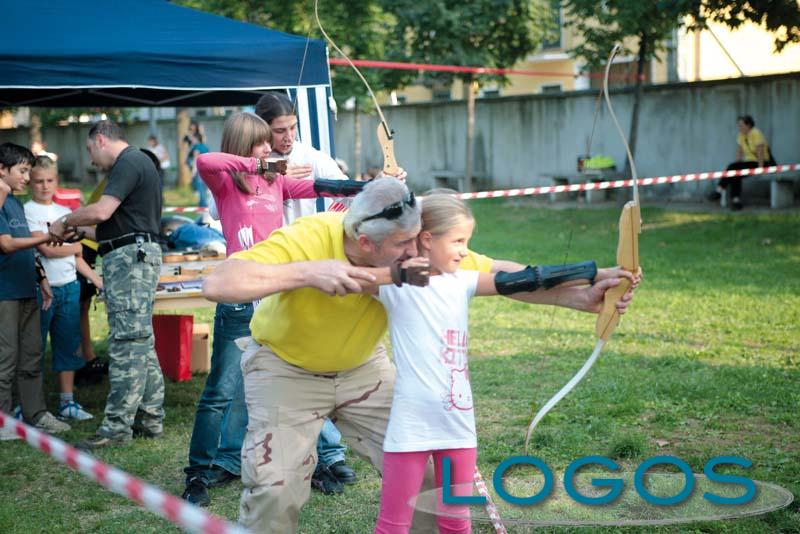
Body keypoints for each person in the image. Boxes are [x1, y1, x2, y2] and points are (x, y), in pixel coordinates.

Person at [201, 179, 637, 532]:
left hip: (362, 368)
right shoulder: (311, 236)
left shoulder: (416, 254)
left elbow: (495, 275)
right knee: (274, 491)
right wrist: (309, 273)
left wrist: (578, 296)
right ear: (366, 242)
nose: (416, 253)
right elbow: (219, 283)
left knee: (432, 476)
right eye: (404, 246)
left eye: (418, 241)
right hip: (285, 369)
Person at [372, 193, 638, 533]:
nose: (465, 250)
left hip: (458, 427)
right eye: (457, 241)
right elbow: (352, 267)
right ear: (426, 239)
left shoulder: (463, 281)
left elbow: (529, 278)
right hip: (410, 427)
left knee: (457, 522)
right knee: (393, 524)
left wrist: (599, 275)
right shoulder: (392, 284)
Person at [181, 112, 367, 507]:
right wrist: (261, 163)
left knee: (298, 380)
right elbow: (205, 162)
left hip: (278, 300)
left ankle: (316, 463)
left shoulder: (275, 182)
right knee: (222, 390)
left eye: (270, 142)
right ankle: (198, 471)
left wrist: (367, 186)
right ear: (244, 146)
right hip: (240, 301)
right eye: (261, 143)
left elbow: (318, 186)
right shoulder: (227, 183)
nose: (270, 148)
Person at [255, 91, 359, 490]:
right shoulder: (252, 161)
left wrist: (383, 181)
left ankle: (329, 454)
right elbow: (218, 207)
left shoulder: (311, 157)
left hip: (311, 273)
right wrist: (264, 173)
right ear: (264, 130)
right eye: (279, 131)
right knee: (288, 370)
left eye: (291, 128)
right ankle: (316, 456)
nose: (286, 137)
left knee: (315, 365)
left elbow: (347, 194)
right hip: (271, 276)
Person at [48, 120, 164, 450]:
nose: (91, 160)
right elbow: (114, 229)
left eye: (90, 151)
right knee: (141, 341)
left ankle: (116, 429)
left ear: (100, 140)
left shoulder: (128, 161)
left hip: (132, 262)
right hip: (133, 254)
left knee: (127, 342)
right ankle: (150, 418)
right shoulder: (138, 163)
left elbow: (101, 211)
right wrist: (78, 232)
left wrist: (65, 220)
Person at [0, 142, 71, 439]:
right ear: (2, 170)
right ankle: (4, 422)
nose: (27, 178)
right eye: (23, 171)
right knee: (6, 357)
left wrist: (40, 275)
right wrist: (44, 237)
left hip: (26, 287)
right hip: (4, 293)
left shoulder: (14, 200)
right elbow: (6, 243)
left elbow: (22, 240)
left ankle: (36, 413)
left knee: (32, 355)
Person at [24, 155, 103, 421]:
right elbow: (44, 248)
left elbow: (77, 255)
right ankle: (30, 403)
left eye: (49, 180)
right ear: (29, 183)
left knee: (68, 345)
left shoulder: (63, 214)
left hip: (69, 286)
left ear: (57, 181)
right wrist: (73, 246)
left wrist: (97, 279)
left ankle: (67, 402)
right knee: (34, 347)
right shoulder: (28, 211)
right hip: (42, 289)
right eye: (38, 181)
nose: (44, 186)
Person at [709, 115, 773, 211]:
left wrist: (760, 168)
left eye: (741, 125)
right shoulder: (741, 135)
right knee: (735, 173)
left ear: (748, 125)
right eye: (738, 125)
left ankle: (719, 190)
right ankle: (736, 201)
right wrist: (737, 164)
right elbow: (739, 151)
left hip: (761, 163)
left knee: (733, 168)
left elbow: (760, 151)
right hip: (750, 162)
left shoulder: (755, 133)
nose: (739, 127)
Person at [186, 130, 210, 208]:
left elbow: (195, 159)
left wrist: (193, 171)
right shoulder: (205, 147)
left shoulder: (196, 147)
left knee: (200, 187)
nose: (192, 140)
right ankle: (202, 202)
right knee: (204, 187)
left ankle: (203, 203)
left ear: (196, 139)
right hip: (207, 169)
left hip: (200, 170)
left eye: (193, 138)